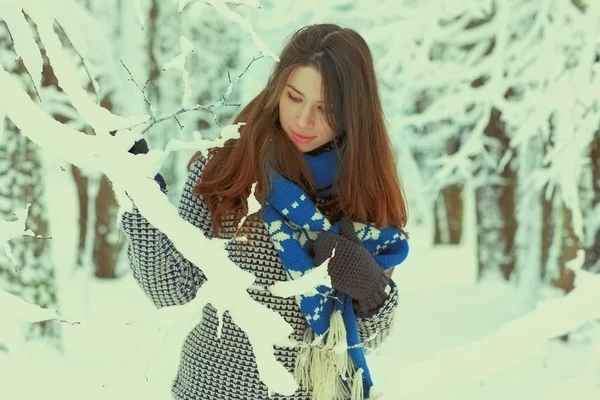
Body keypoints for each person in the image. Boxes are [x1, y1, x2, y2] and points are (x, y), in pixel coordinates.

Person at [121, 23, 409, 400]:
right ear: (277, 90)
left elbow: (365, 341)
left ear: (355, 113)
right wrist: (141, 199)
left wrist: (373, 293)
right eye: (294, 97)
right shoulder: (224, 169)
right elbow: (173, 291)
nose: (304, 120)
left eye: (327, 109)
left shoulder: (364, 192)